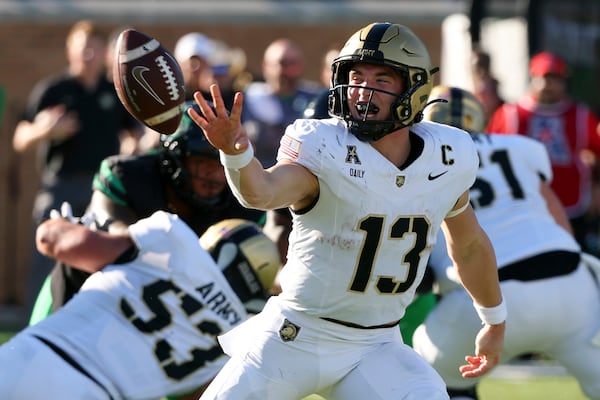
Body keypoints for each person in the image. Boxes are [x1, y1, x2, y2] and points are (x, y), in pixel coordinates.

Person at [188, 22, 506, 399]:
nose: (362, 90)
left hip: (377, 346)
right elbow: (262, 192)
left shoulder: (447, 154)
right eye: (356, 76)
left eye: (382, 79)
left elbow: (468, 246)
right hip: (295, 336)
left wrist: (494, 319)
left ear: (415, 88)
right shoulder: (323, 144)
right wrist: (236, 153)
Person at [412, 85, 600, 400]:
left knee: (427, 364)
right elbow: (558, 220)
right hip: (572, 285)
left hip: (485, 297)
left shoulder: (420, 155)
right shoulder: (518, 147)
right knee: (582, 355)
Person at [0, 210, 281, 399]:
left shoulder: (172, 240)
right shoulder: (236, 341)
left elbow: (51, 241)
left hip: (37, 359)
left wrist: (63, 224)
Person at [29, 103, 266, 324]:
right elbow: (114, 234)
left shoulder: (241, 201)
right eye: (204, 163)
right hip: (90, 296)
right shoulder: (131, 176)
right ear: (176, 158)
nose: (215, 175)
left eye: (222, 164)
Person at [11, 19, 143, 315]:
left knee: (105, 262)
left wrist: (136, 144)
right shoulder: (55, 90)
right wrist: (46, 131)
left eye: (95, 49)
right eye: (83, 48)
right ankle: (36, 329)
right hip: (61, 188)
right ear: (70, 51)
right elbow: (20, 138)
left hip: (103, 191)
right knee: (48, 259)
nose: (89, 55)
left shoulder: (114, 91)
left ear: (104, 53)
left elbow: (134, 133)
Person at [486, 51, 600, 256]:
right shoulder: (510, 114)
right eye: (545, 78)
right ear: (533, 78)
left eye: (556, 79)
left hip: (571, 204)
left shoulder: (581, 115)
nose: (550, 85)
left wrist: (596, 188)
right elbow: (488, 153)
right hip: (521, 205)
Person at [241, 37, 321, 168]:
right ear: (265, 66)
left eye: (291, 63)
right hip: (260, 174)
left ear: (301, 66)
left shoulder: (315, 99)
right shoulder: (249, 99)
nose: (284, 71)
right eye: (281, 63)